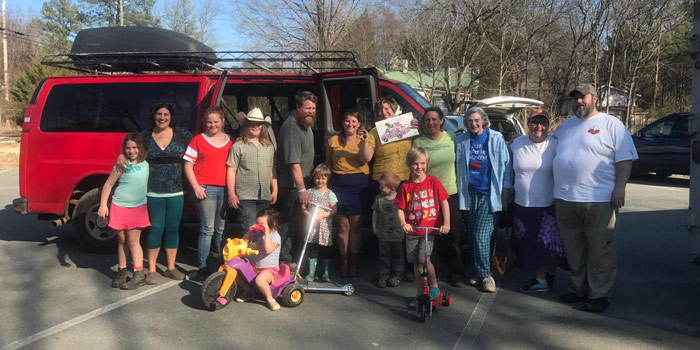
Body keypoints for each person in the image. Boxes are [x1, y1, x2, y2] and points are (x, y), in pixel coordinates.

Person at [553, 84, 638, 313]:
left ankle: (599, 294)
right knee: (574, 248)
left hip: (599, 198)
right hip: (565, 197)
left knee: (600, 249)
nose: (579, 102)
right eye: (575, 99)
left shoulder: (612, 125)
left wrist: (620, 188)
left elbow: (625, 159)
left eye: (583, 98)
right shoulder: (565, 126)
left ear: (594, 99)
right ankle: (577, 288)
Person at [358, 96, 418, 282]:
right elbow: (366, 158)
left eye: (387, 109)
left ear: (394, 110)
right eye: (380, 110)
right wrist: (364, 141)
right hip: (382, 183)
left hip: (404, 182)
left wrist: (419, 126)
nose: (383, 113)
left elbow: (423, 140)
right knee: (385, 227)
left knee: (405, 225)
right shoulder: (375, 131)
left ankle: (406, 267)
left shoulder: (408, 126)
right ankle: (384, 268)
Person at [456, 107, 513, 293]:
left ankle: (486, 275)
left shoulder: (495, 138)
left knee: (481, 235)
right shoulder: (462, 140)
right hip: (469, 193)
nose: (474, 123)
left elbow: (506, 167)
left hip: (489, 194)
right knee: (473, 234)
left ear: (484, 120)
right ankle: (479, 271)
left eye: (477, 120)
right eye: (470, 121)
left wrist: (505, 192)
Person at [510, 109, 567, 293]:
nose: (538, 127)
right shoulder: (516, 143)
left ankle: (545, 277)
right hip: (522, 203)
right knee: (528, 243)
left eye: (543, 123)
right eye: (534, 122)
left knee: (547, 243)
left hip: (546, 204)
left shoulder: (555, 144)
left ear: (549, 125)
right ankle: (542, 278)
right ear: (528, 124)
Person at [413, 107, 466, 287]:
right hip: (428, 195)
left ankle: (457, 273)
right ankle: (434, 272)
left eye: (435, 119)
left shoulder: (452, 138)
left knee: (453, 235)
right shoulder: (418, 141)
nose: (431, 123)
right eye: (427, 120)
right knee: (431, 237)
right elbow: (415, 167)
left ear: (442, 121)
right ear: (423, 122)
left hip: (450, 192)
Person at [140, 103, 191, 285]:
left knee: (172, 228)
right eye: (159, 114)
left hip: (177, 190)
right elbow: (130, 152)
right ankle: (152, 270)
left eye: (166, 114)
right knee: (155, 228)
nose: (162, 117)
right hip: (153, 190)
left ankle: (171, 268)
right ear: (154, 116)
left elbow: (197, 153)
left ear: (171, 116)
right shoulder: (145, 135)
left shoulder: (182, 134)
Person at [395, 147, 450, 308]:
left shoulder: (433, 181)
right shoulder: (406, 187)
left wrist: (446, 223)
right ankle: (420, 294)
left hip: (429, 230)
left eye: (422, 163)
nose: (419, 167)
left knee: (423, 259)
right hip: (412, 231)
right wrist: (403, 223)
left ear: (427, 164)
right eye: (415, 164)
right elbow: (399, 208)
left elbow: (444, 202)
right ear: (409, 165)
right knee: (415, 264)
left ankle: (434, 285)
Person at [184, 106, 234, 281]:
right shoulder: (198, 140)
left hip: (225, 189)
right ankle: (203, 267)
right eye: (209, 122)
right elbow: (188, 165)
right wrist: (196, 187)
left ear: (222, 122)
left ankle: (222, 264)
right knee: (208, 229)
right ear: (205, 123)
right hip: (205, 189)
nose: (212, 125)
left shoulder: (231, 141)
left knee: (221, 229)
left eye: (216, 121)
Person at [98, 133, 150, 290]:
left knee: (133, 241)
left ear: (141, 148)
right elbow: (108, 185)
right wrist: (102, 205)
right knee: (121, 240)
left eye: (135, 147)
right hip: (119, 206)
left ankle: (138, 273)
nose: (131, 151)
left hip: (138, 208)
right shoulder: (121, 165)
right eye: (127, 148)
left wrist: (120, 156)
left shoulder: (146, 164)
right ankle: (122, 271)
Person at [326, 109, 372, 277]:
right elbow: (328, 163)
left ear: (359, 123)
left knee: (356, 227)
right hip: (338, 186)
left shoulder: (365, 139)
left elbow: (365, 159)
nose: (350, 124)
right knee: (342, 227)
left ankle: (354, 263)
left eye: (354, 121)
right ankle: (344, 262)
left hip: (359, 186)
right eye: (347, 121)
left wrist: (364, 142)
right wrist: (325, 186)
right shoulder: (333, 141)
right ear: (342, 123)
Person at [276, 91, 317, 265]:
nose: (311, 111)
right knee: (287, 224)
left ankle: (290, 259)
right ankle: (283, 262)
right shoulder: (292, 128)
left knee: (297, 224)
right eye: (307, 108)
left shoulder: (305, 125)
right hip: (291, 186)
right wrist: (301, 190)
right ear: (298, 107)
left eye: (314, 108)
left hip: (301, 184)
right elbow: (294, 164)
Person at [226, 108, 278, 233]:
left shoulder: (269, 147)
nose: (255, 127)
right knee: (249, 227)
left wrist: (275, 190)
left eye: (258, 124)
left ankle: (260, 252)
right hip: (245, 194)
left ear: (263, 126)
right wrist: (231, 194)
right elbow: (231, 171)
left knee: (263, 226)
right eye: (251, 124)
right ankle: (248, 252)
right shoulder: (238, 146)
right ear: (246, 126)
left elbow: (272, 170)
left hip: (264, 194)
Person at [236, 208, 283, 311]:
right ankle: (250, 292)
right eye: (257, 223)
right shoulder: (258, 234)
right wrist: (250, 231)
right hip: (256, 266)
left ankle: (270, 300)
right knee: (236, 272)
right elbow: (244, 242)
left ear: (273, 224)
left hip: (270, 270)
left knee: (260, 280)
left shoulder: (275, 236)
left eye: (262, 225)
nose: (259, 226)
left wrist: (266, 234)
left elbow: (268, 250)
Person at [300, 164, 338, 282]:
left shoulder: (330, 193)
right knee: (312, 248)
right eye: (317, 178)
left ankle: (326, 273)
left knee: (326, 249)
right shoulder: (309, 192)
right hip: (312, 226)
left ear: (327, 179)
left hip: (324, 226)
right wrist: (308, 214)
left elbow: (334, 209)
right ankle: (311, 273)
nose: (320, 181)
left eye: (323, 178)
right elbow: (303, 207)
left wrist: (323, 215)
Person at [371, 172, 404, 288]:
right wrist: (374, 226)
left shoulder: (400, 198)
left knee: (397, 255)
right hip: (383, 233)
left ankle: (397, 275)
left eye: (382, 186)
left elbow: (405, 213)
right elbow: (375, 213)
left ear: (392, 188)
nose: (380, 188)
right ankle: (383, 276)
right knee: (383, 255)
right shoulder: (379, 199)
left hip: (397, 234)